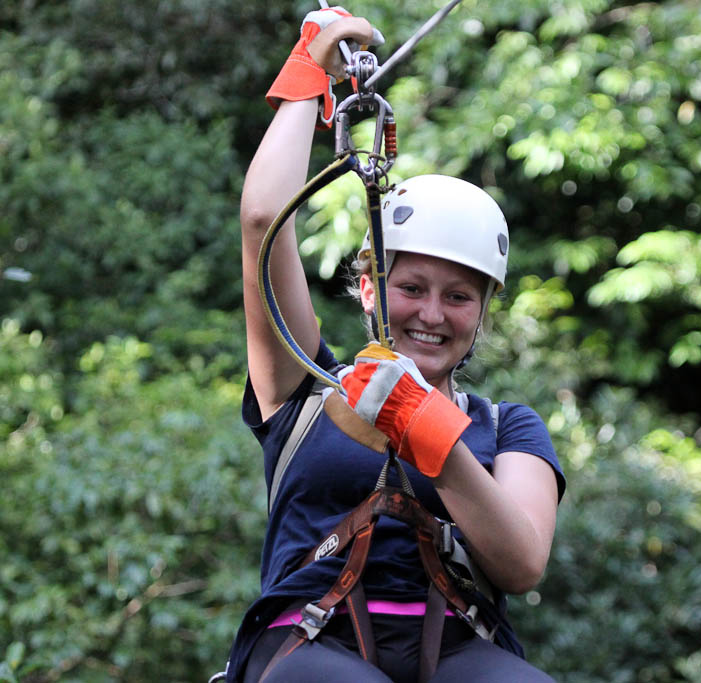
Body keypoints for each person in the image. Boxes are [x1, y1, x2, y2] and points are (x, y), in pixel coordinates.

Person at [222, 7, 565, 682]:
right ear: (371, 286)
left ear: (483, 310)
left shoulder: (506, 427)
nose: (432, 313)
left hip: (457, 645)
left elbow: (522, 563)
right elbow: (264, 223)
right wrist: (309, 73)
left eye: (458, 296)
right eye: (412, 286)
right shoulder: (304, 390)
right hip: (309, 642)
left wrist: (427, 430)